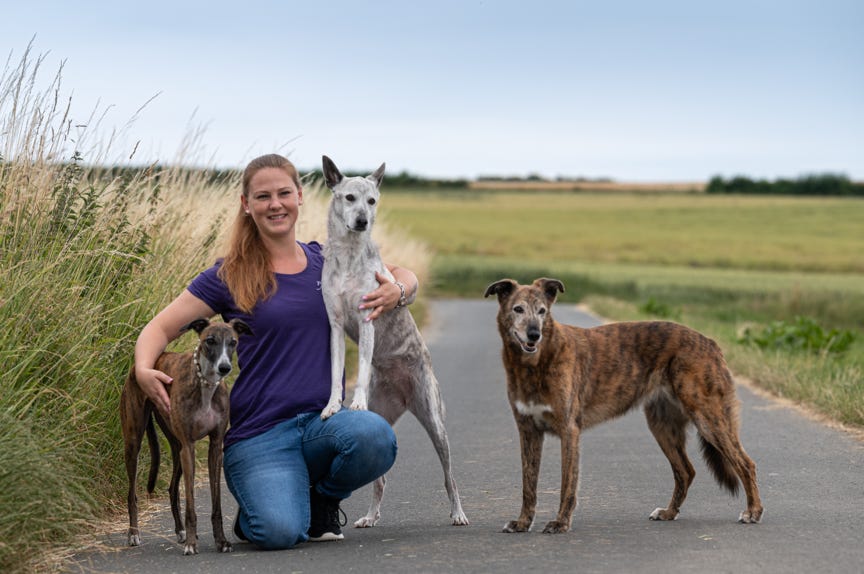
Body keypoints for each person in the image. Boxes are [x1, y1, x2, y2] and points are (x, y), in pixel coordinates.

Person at [133, 153, 414, 549]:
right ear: (247, 205)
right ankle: (270, 504)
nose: (275, 203)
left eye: (284, 193)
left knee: (376, 438)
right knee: (277, 532)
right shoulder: (227, 274)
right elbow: (159, 328)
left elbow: (399, 273)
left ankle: (322, 498)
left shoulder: (326, 260)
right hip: (258, 432)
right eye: (263, 196)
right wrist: (144, 369)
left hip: (320, 423)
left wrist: (400, 290)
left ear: (300, 197)